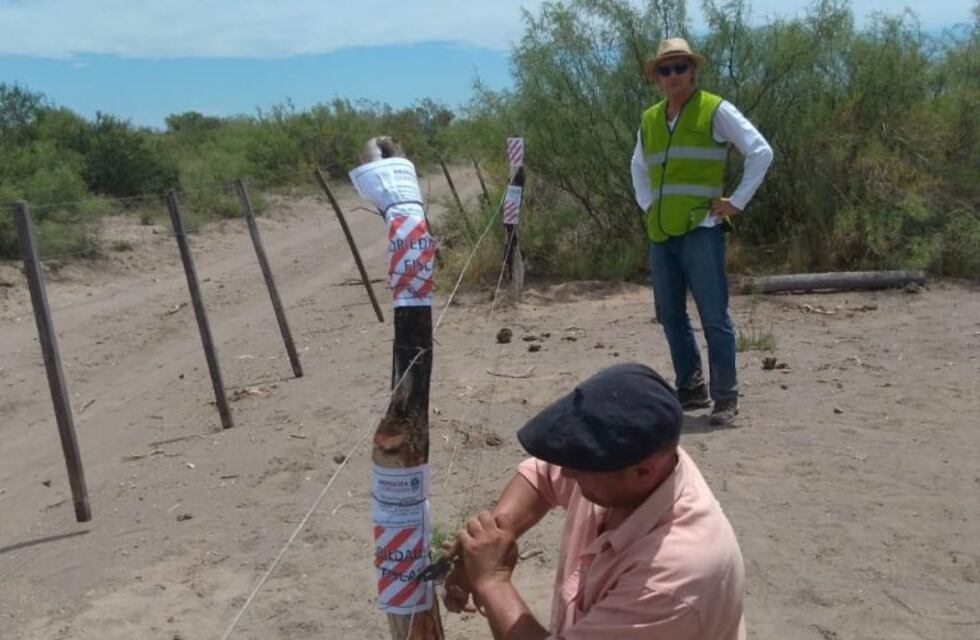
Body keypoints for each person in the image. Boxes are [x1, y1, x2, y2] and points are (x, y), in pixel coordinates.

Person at [442, 363, 745, 639]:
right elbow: (543, 475)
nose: (566, 471)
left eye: (581, 463)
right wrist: (493, 537)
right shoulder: (634, 462)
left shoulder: (672, 577)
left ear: (644, 471)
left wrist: (492, 581)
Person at [631, 37, 773, 426]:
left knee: (714, 315)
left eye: (680, 67)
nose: (673, 75)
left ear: (693, 71)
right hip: (662, 233)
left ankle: (725, 397)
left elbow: (760, 151)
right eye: (666, 69)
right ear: (657, 76)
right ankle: (691, 389)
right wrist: (648, 206)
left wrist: (737, 201)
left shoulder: (714, 110)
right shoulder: (650, 119)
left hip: (701, 230)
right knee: (670, 315)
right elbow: (638, 167)